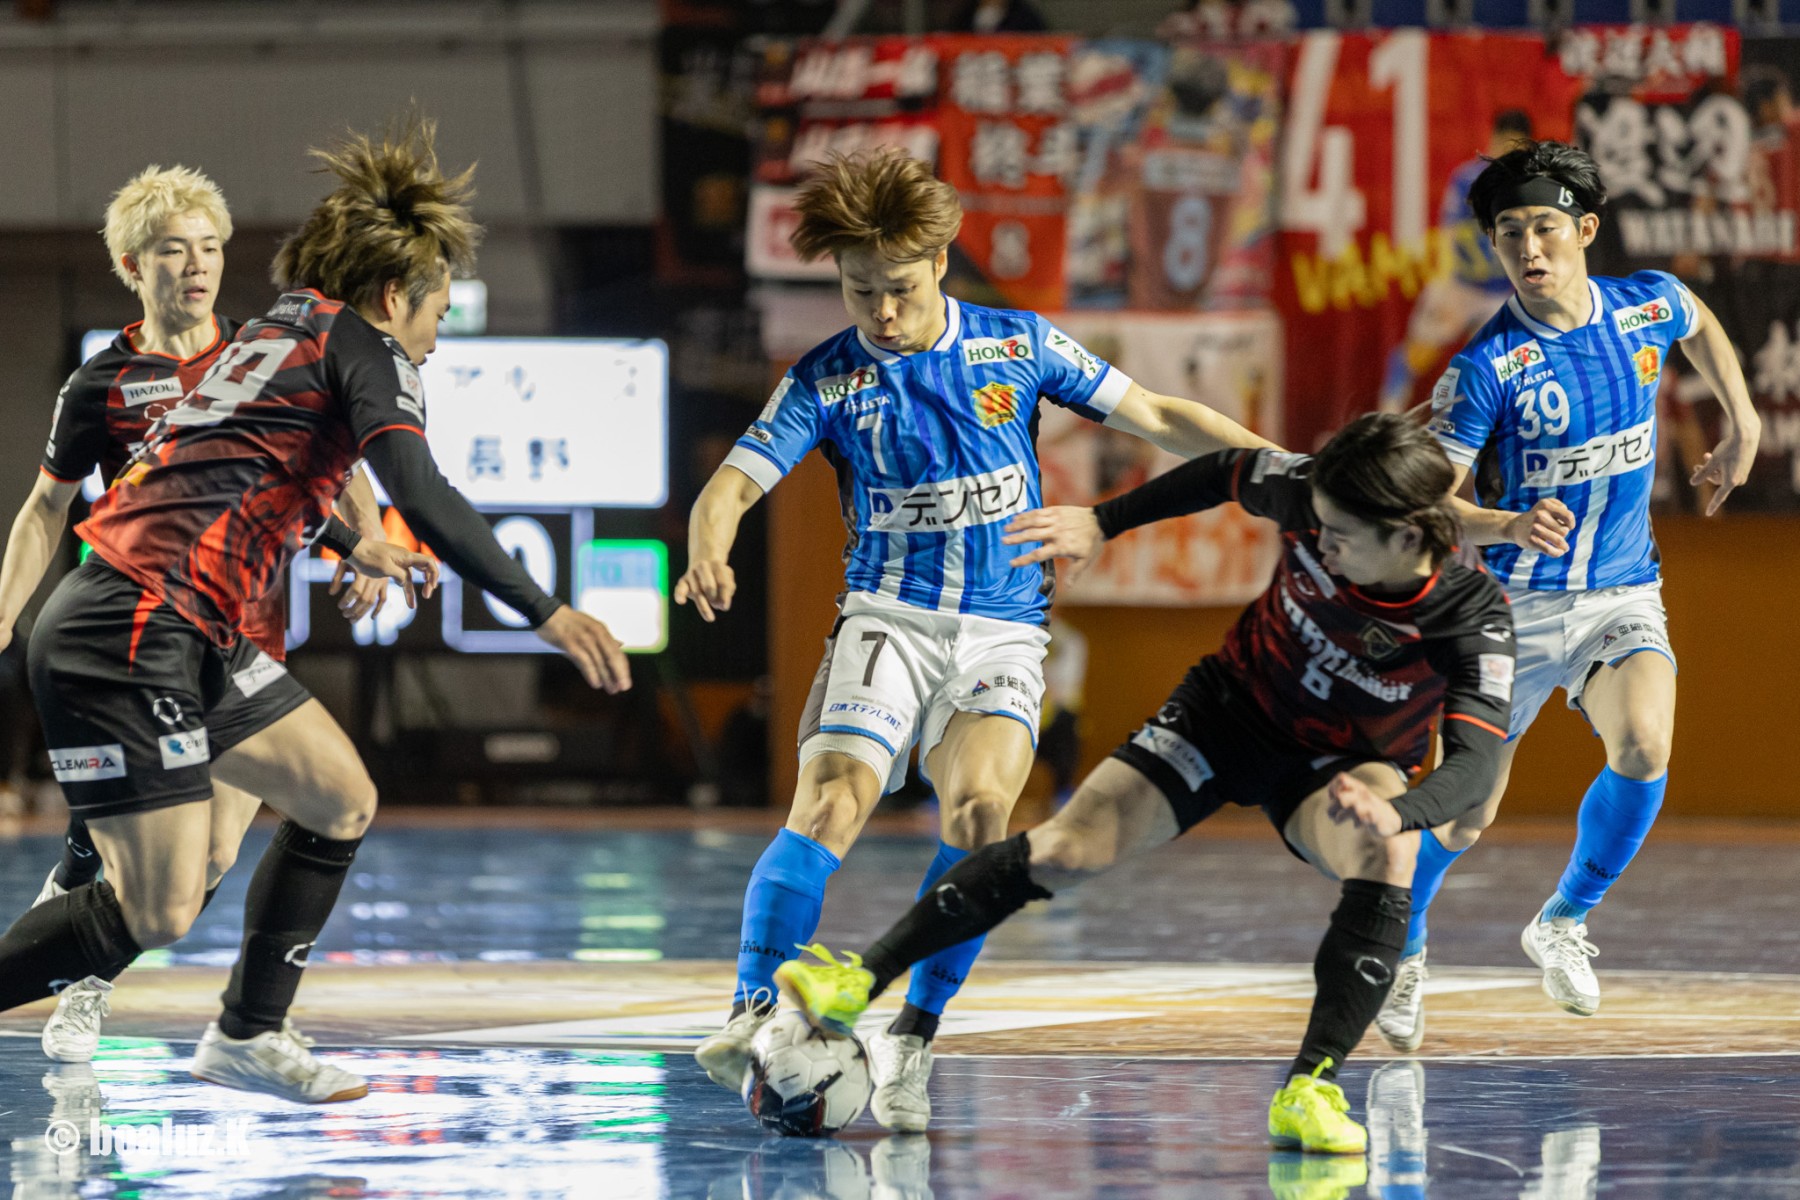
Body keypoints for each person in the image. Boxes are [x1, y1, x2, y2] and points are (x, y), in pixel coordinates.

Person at [0, 113, 630, 1102]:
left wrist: (353, 540)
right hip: (129, 625)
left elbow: (248, 472)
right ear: (395, 297)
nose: (437, 335)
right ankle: (108, 952)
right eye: (437, 311)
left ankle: (249, 1033)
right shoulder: (365, 348)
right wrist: (547, 611)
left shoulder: (274, 329)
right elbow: (423, 490)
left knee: (339, 798)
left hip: (188, 626)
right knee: (159, 909)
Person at [676, 147, 1270, 1132]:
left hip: (1001, 632)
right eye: (860, 291)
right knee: (830, 803)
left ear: (941, 263)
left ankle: (912, 1033)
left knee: (985, 819)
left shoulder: (1017, 345)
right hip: (888, 619)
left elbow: (1159, 413)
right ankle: (751, 1013)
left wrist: (1282, 464)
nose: (882, 313)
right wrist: (709, 549)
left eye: (900, 290)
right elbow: (731, 487)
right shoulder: (826, 379)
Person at [772, 413, 1516, 1155]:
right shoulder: (1307, 491)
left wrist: (1400, 813)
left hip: (1340, 765)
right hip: (1226, 715)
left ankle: (1309, 1090)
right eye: (1318, 527)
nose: (1320, 543)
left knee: (1391, 853)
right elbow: (1222, 470)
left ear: (1408, 538)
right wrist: (1103, 521)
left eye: (1342, 537)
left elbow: (1475, 766)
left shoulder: (1473, 616)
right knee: (1064, 849)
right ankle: (861, 980)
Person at [1375, 139, 1759, 1052]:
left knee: (1646, 743)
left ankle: (1562, 920)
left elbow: (1697, 318)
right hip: (1506, 609)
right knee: (1465, 815)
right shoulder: (1485, 369)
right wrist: (1504, 523)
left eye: (1544, 227)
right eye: (1509, 233)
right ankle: (1402, 944)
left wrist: (1742, 421)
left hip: (1620, 591)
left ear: (1584, 230)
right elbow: (1433, 505)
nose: (1528, 248)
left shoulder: (1644, 306)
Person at [0, 164, 389, 1063]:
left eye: (211, 247)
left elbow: (343, 462)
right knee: (129, 856)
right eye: (174, 249)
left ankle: (85, 962)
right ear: (133, 266)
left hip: (245, 643)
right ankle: (79, 964)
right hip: (141, 636)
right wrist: (6, 609)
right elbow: (45, 508)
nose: (198, 264)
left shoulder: (262, 355)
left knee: (209, 861)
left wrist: (367, 540)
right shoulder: (103, 382)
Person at [1377, 111, 1535, 414]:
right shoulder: (1469, 179)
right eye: (1504, 142)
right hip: (1461, 286)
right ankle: (1388, 414)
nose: (1508, 152)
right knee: (1419, 353)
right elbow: (1449, 233)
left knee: (1499, 369)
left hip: (1501, 293)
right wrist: (1445, 284)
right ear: (1493, 140)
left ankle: (1484, 431)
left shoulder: (1531, 189)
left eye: (1516, 145)